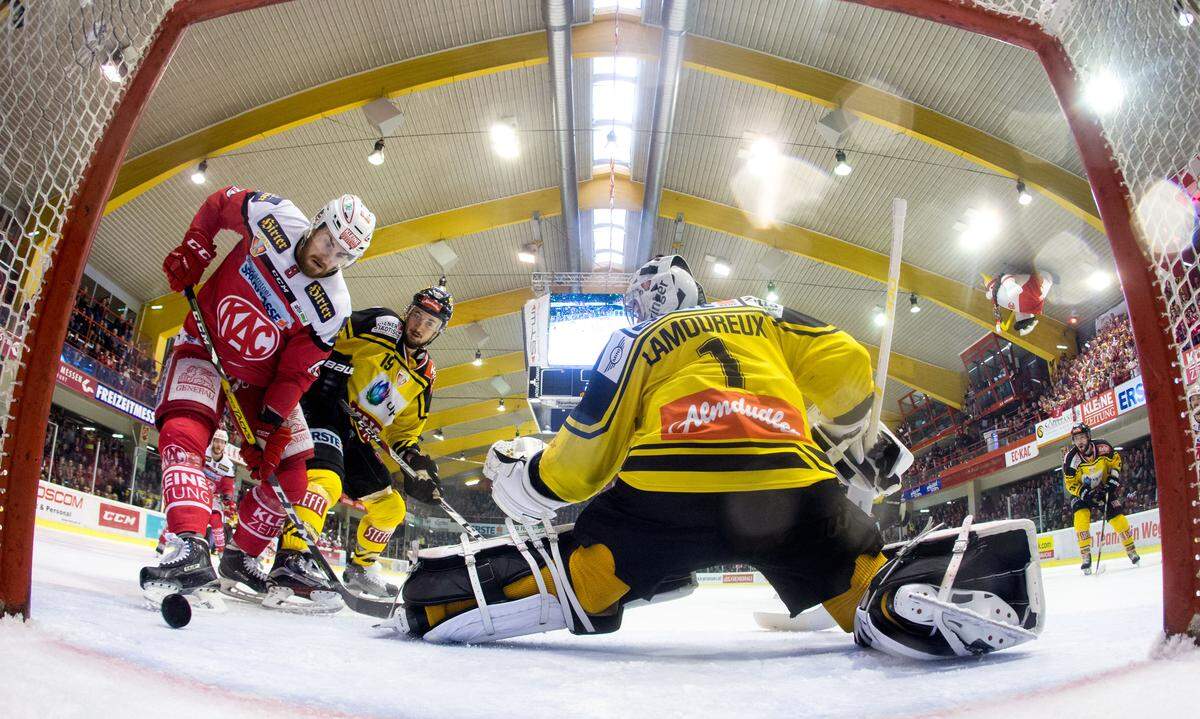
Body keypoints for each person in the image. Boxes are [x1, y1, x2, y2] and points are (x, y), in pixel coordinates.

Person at [390, 255, 1045, 659]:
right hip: (790, 488)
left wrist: (527, 480)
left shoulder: (637, 337)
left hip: (665, 494)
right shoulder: (764, 317)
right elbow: (847, 362)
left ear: (647, 302)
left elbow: (585, 458)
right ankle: (919, 587)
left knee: (589, 573)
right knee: (857, 577)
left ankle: (440, 594)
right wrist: (849, 438)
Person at [139, 186, 373, 611]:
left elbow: (296, 372)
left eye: (342, 256)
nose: (329, 258)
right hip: (203, 343)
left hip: (259, 384)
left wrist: (270, 421)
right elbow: (218, 205)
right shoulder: (275, 215)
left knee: (293, 475)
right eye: (328, 243)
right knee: (182, 431)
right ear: (317, 222)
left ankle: (238, 557)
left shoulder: (333, 306)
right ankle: (189, 545)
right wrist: (196, 245)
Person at [279, 289, 449, 602]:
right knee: (325, 482)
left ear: (437, 332)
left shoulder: (425, 375)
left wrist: (415, 462)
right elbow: (327, 336)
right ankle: (293, 558)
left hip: (357, 436)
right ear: (407, 311)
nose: (419, 326)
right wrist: (326, 372)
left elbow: (404, 431)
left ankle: (361, 567)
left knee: (391, 508)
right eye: (417, 315)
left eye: (429, 323)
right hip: (324, 409)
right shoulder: (382, 324)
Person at [1062, 423, 1140, 574]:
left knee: (1118, 518)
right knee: (1081, 518)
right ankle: (1085, 556)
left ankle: (1131, 550)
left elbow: (1116, 461)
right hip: (1081, 492)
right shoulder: (1070, 459)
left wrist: (1113, 478)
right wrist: (1084, 493)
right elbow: (1070, 483)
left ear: (1089, 437)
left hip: (1103, 488)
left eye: (1082, 437)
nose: (1080, 442)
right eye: (1076, 438)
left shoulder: (1104, 447)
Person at [204, 429, 237, 554]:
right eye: (216, 441)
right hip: (196, 488)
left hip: (213, 495)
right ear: (212, 441)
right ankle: (162, 544)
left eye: (222, 442)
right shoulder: (203, 451)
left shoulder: (227, 464)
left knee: (216, 520)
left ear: (225, 445)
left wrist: (228, 495)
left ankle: (221, 551)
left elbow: (227, 483)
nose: (219, 445)